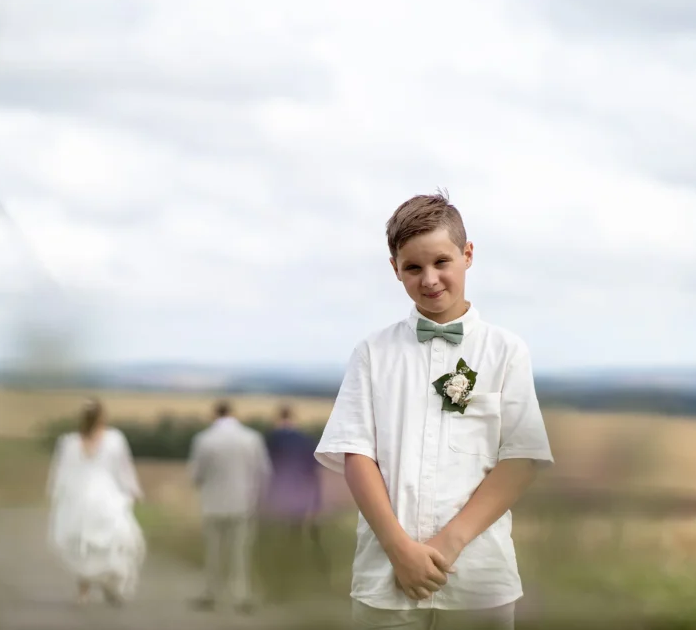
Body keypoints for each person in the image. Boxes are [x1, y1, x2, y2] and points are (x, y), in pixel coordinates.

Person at [314, 191, 554, 629]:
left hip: (480, 580)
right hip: (385, 579)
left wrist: (447, 546)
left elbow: (521, 458)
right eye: (413, 267)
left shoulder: (506, 351)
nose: (429, 279)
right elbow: (356, 454)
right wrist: (399, 550)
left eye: (441, 262)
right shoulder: (373, 352)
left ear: (467, 255)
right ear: (395, 269)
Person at [47, 397, 146, 606]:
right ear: (103, 416)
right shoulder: (115, 439)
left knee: (84, 544)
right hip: (106, 496)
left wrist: (57, 494)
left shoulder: (70, 442)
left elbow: (61, 472)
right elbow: (123, 467)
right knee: (116, 540)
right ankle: (112, 583)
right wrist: (134, 489)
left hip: (80, 498)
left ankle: (84, 591)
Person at [187, 399, 272, 614]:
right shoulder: (252, 438)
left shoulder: (204, 440)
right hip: (244, 503)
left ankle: (211, 593)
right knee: (240, 552)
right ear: (233, 414)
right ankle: (241, 595)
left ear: (215, 415)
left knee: (214, 552)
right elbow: (264, 472)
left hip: (213, 503)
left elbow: (196, 475)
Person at [258, 403, 329, 600]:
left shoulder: (271, 440)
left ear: (277, 419)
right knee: (294, 540)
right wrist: (316, 503)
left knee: (273, 543)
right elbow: (314, 474)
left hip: (277, 498)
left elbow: (263, 471)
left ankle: (277, 587)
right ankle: (301, 583)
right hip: (300, 499)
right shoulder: (306, 440)